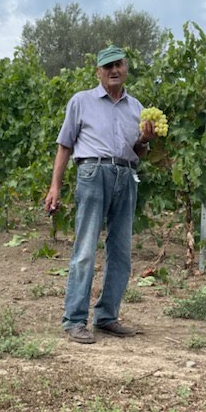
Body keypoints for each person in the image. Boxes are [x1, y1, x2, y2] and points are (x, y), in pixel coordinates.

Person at [44, 45, 157, 344]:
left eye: (118, 64)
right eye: (107, 66)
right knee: (85, 249)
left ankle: (107, 317)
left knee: (120, 251)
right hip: (93, 174)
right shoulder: (81, 102)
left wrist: (145, 139)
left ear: (126, 67)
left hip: (126, 175)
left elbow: (138, 153)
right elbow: (65, 145)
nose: (114, 71)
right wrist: (55, 186)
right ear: (98, 72)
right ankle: (74, 320)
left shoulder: (137, 108)